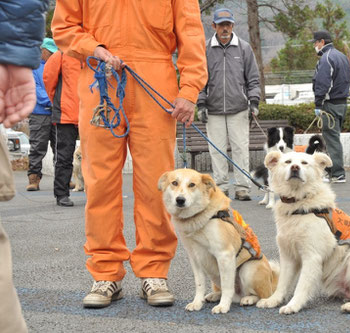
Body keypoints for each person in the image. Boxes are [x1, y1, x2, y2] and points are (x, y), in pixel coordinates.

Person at [51, 0, 208, 308]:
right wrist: (93, 48)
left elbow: (191, 34)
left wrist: (189, 91)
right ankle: (106, 273)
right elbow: (63, 27)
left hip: (156, 78)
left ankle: (154, 272)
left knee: (156, 183)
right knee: (100, 184)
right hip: (99, 79)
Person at [0, 0, 49, 331]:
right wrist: (15, 56)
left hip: (55, 111)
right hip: (41, 109)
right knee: (40, 152)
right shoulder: (44, 63)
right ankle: (34, 178)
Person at [196, 8, 261, 201]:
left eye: (228, 24)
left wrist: (254, 102)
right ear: (213, 26)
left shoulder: (244, 48)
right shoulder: (205, 49)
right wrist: (201, 104)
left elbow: (253, 79)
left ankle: (242, 188)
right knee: (217, 150)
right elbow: (200, 80)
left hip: (239, 108)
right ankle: (220, 188)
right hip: (213, 109)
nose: (225, 28)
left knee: (241, 148)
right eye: (221, 25)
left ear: (233, 25)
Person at [311, 30, 350, 183]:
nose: (315, 45)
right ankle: (332, 171)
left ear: (321, 42)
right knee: (334, 137)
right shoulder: (341, 56)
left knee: (331, 139)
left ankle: (337, 173)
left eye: (315, 42)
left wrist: (318, 104)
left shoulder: (326, 58)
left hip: (330, 104)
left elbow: (323, 83)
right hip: (342, 103)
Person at [43, 50, 81, 206]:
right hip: (65, 115)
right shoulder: (61, 55)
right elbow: (48, 80)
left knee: (96, 157)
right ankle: (61, 194)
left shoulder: (93, 53)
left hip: (91, 114)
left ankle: (95, 193)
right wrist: (59, 103)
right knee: (63, 157)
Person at [25, 38, 57, 192]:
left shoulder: (58, 65)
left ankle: (63, 178)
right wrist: (53, 101)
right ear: (43, 51)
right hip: (39, 113)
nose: (52, 55)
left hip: (57, 112)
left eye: (53, 53)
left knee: (61, 146)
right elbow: (35, 89)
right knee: (38, 147)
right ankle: (34, 179)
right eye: (50, 52)